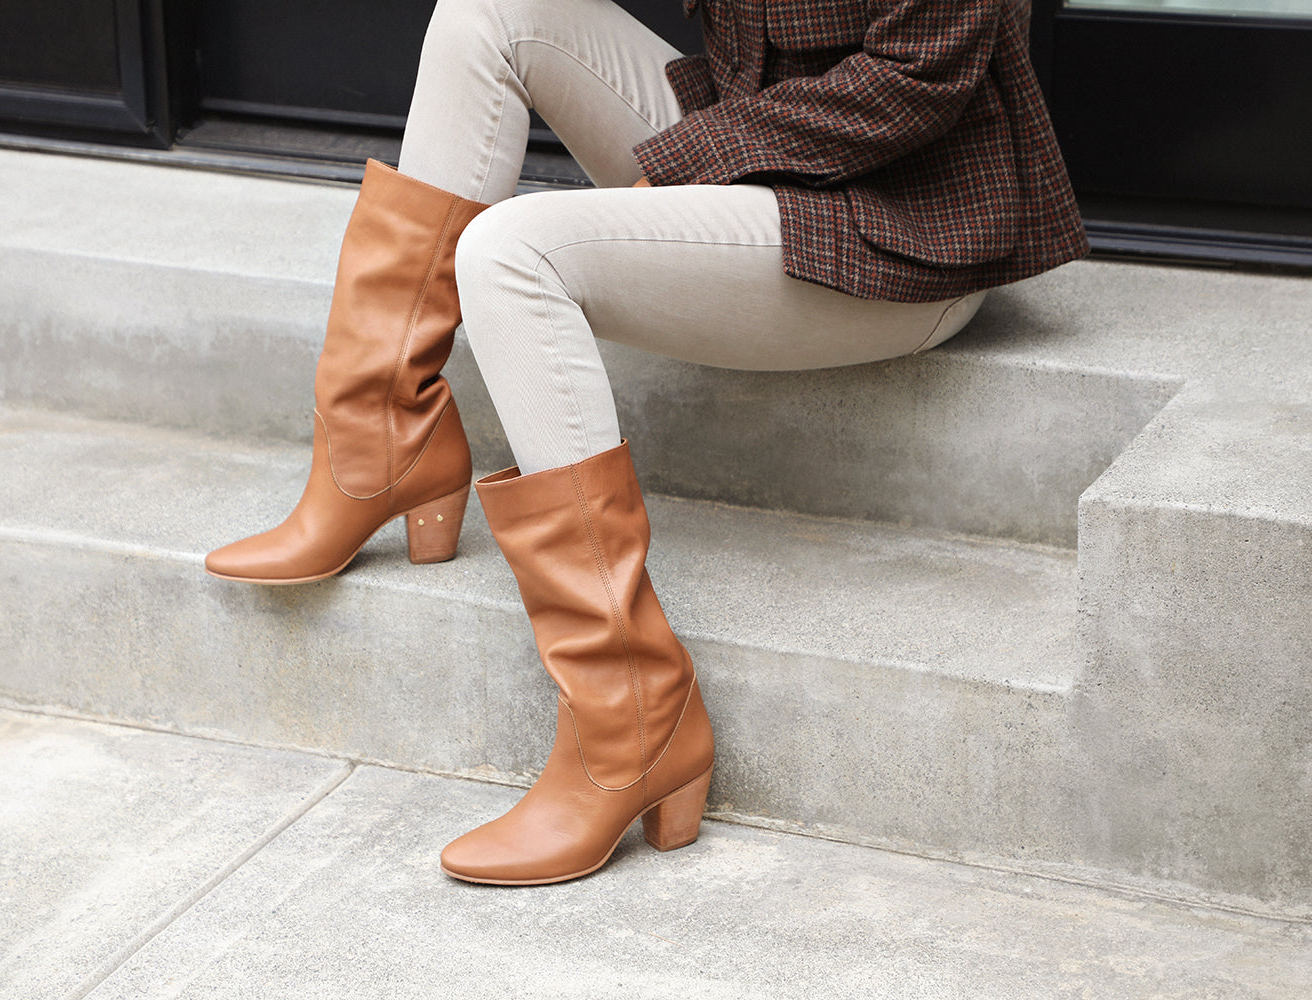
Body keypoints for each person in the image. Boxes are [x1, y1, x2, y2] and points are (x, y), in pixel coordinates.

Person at [204, 0, 1088, 885]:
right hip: (752, 143)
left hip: (898, 216)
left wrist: (691, 162)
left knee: (509, 254)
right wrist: (705, 155)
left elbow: (912, 85)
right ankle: (376, 443)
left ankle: (630, 711)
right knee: (488, 14)